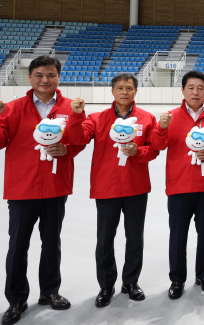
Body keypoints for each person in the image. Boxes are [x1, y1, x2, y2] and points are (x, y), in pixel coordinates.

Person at [0, 56, 86, 325]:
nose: (45, 80)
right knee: (18, 246)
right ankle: (16, 298)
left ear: (58, 77)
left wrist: (68, 149)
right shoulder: (14, 108)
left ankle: (50, 292)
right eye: (39, 75)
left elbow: (78, 140)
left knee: (52, 243)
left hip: (54, 187)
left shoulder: (69, 106)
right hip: (21, 188)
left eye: (51, 75)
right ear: (29, 78)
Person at [65, 73, 159, 307]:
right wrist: (77, 115)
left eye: (129, 88)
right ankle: (106, 285)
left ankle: (131, 282)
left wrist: (138, 153)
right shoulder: (98, 119)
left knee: (135, 238)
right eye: (120, 88)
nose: (124, 92)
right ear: (112, 91)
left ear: (135, 91)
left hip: (136, 187)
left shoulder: (146, 119)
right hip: (106, 187)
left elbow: (154, 149)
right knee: (105, 239)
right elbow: (78, 138)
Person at [152, 71, 204, 299]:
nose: (195, 92)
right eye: (191, 87)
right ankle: (177, 279)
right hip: (178, 185)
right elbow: (157, 145)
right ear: (183, 90)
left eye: (200, 88)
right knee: (178, 234)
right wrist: (161, 127)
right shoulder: (171, 117)